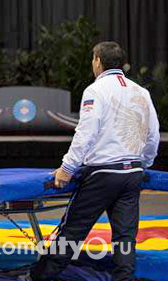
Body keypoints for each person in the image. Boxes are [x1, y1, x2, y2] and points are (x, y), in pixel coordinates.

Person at [29, 42, 160, 281]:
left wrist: (67, 168)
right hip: (132, 173)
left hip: (103, 174)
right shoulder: (141, 91)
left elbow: (86, 133)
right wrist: (145, 163)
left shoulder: (95, 90)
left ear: (98, 60)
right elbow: (153, 134)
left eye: (92, 59)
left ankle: (39, 277)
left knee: (72, 232)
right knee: (125, 238)